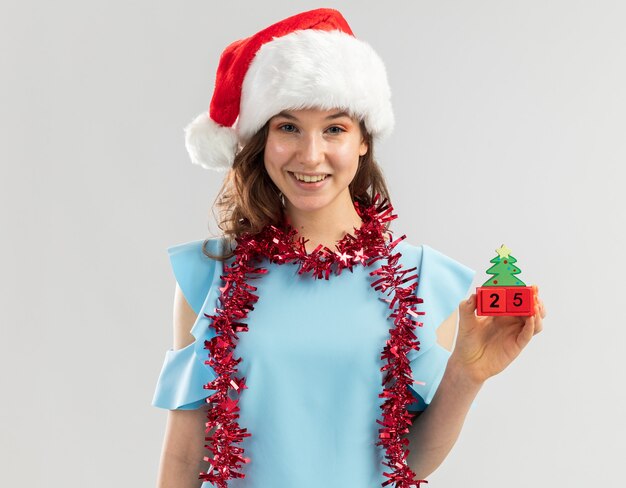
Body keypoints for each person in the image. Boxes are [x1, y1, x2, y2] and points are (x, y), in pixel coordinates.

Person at [152, 8, 546, 488]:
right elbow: (184, 455)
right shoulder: (208, 275)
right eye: (288, 127)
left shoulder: (424, 283)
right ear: (262, 140)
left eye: (334, 128)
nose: (310, 154)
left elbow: (405, 463)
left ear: (363, 141)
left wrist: (467, 376)